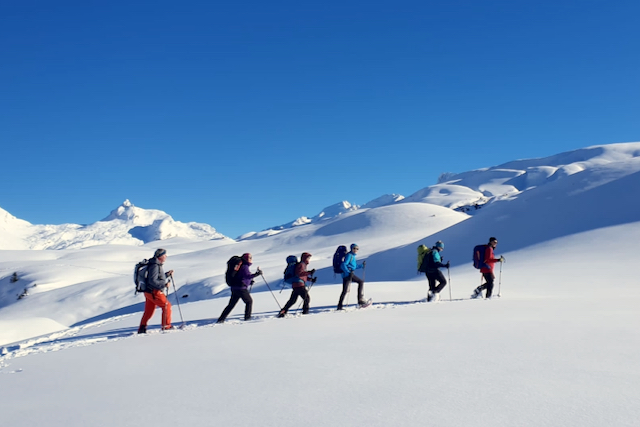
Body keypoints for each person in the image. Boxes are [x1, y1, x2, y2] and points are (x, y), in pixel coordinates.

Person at [217, 253, 262, 323]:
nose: (251, 259)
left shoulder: (241, 265)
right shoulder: (244, 266)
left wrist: (249, 282)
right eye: (250, 258)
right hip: (241, 288)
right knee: (249, 301)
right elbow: (247, 276)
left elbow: (241, 276)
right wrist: (257, 274)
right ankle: (247, 318)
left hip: (235, 287)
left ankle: (221, 319)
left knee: (231, 304)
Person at [138, 248, 174, 333]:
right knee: (166, 306)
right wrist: (164, 285)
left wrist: (166, 275)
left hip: (148, 292)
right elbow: (152, 281)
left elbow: (156, 278)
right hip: (154, 291)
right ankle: (166, 326)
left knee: (149, 310)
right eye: (164, 255)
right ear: (160, 256)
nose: (166, 256)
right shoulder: (155, 266)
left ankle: (142, 328)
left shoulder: (154, 264)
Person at [278, 252, 316, 317]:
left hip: (296, 285)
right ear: (305, 258)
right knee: (306, 298)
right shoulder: (301, 264)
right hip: (299, 285)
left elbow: (302, 276)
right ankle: (305, 312)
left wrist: (311, 280)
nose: (309, 259)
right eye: (308, 258)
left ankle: (283, 311)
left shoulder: (302, 265)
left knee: (292, 301)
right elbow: (299, 274)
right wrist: (309, 273)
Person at [337, 243, 367, 310]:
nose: (355, 250)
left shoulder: (352, 256)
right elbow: (343, 265)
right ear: (351, 248)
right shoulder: (349, 255)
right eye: (354, 248)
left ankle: (339, 306)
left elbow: (354, 266)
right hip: (348, 274)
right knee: (360, 282)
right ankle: (360, 300)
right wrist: (348, 272)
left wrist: (361, 266)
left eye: (357, 249)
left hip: (346, 275)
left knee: (344, 291)